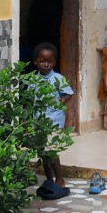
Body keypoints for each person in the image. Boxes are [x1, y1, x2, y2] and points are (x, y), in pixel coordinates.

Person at [31, 42, 73, 199]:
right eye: (42, 61)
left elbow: (69, 94)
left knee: (52, 151)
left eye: (49, 61)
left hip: (53, 121)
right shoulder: (33, 80)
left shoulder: (58, 78)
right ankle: (49, 180)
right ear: (36, 62)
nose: (46, 64)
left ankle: (60, 178)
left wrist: (62, 101)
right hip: (39, 122)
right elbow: (30, 99)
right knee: (43, 152)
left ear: (54, 62)